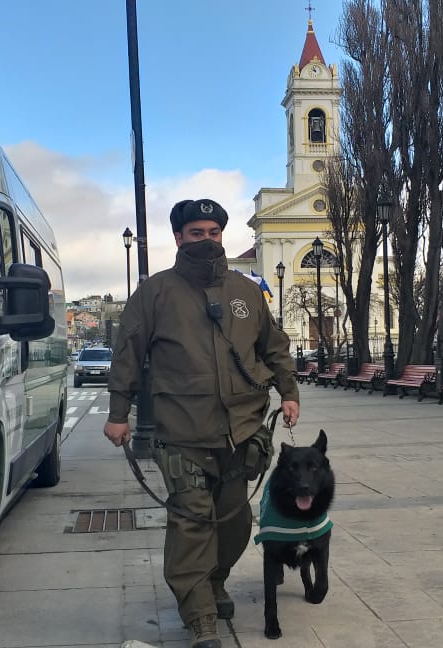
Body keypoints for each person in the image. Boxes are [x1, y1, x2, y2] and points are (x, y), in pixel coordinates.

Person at [104, 198, 300, 648]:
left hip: (242, 430)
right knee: (192, 521)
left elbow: (273, 346)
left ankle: (214, 581)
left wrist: (288, 392)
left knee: (233, 523)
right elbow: (128, 354)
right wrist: (118, 414)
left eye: (213, 232)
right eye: (196, 233)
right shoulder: (155, 293)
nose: (206, 240)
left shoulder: (247, 291)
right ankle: (200, 617)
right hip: (183, 432)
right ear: (179, 237)